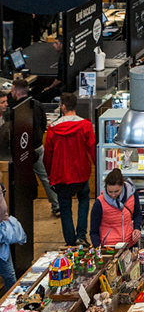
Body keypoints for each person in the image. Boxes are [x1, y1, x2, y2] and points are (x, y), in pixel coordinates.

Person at [44, 93, 95, 246]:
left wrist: (49, 174)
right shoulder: (85, 125)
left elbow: (48, 155)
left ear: (63, 107)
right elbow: (92, 148)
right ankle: (81, 235)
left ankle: (70, 242)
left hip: (60, 175)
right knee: (84, 200)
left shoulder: (53, 128)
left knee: (65, 208)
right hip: (81, 172)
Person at [7, 78, 59, 216]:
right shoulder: (37, 104)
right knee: (45, 178)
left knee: (19, 180)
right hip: (38, 147)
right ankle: (56, 205)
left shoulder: (15, 110)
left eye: (12, 91)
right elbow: (43, 124)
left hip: (21, 152)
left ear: (17, 92)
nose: (11, 93)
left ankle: (20, 209)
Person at [89, 168, 143, 246]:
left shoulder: (132, 195)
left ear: (122, 185)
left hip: (130, 244)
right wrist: (98, 249)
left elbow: (137, 214)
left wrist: (137, 228)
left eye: (116, 191)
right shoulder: (99, 203)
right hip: (109, 247)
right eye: (110, 191)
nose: (113, 195)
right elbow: (94, 231)